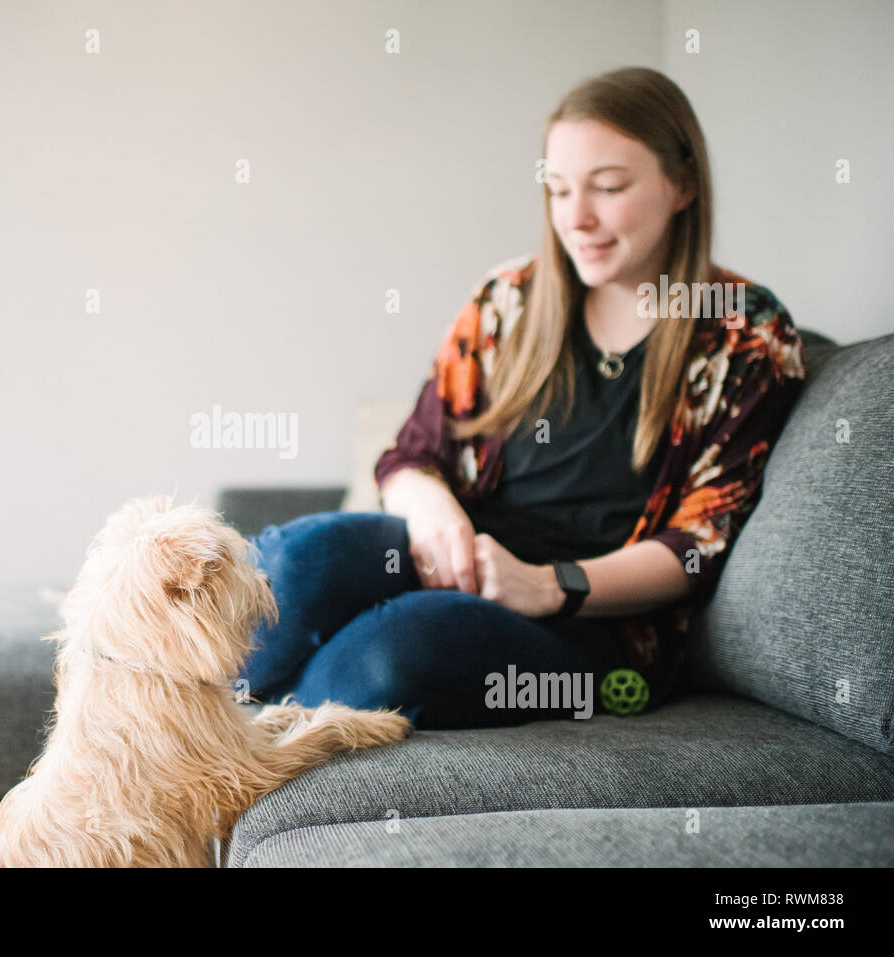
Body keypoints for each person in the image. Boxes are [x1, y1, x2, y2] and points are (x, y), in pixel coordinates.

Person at [238, 66, 806, 729]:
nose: (577, 218)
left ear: (682, 184)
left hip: (596, 631)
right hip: (467, 563)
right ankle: (170, 734)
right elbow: (412, 455)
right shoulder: (508, 298)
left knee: (393, 652)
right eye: (559, 190)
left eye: (609, 187)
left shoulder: (746, 333)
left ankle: (243, 753)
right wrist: (436, 514)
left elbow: (698, 544)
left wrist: (546, 585)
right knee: (296, 564)